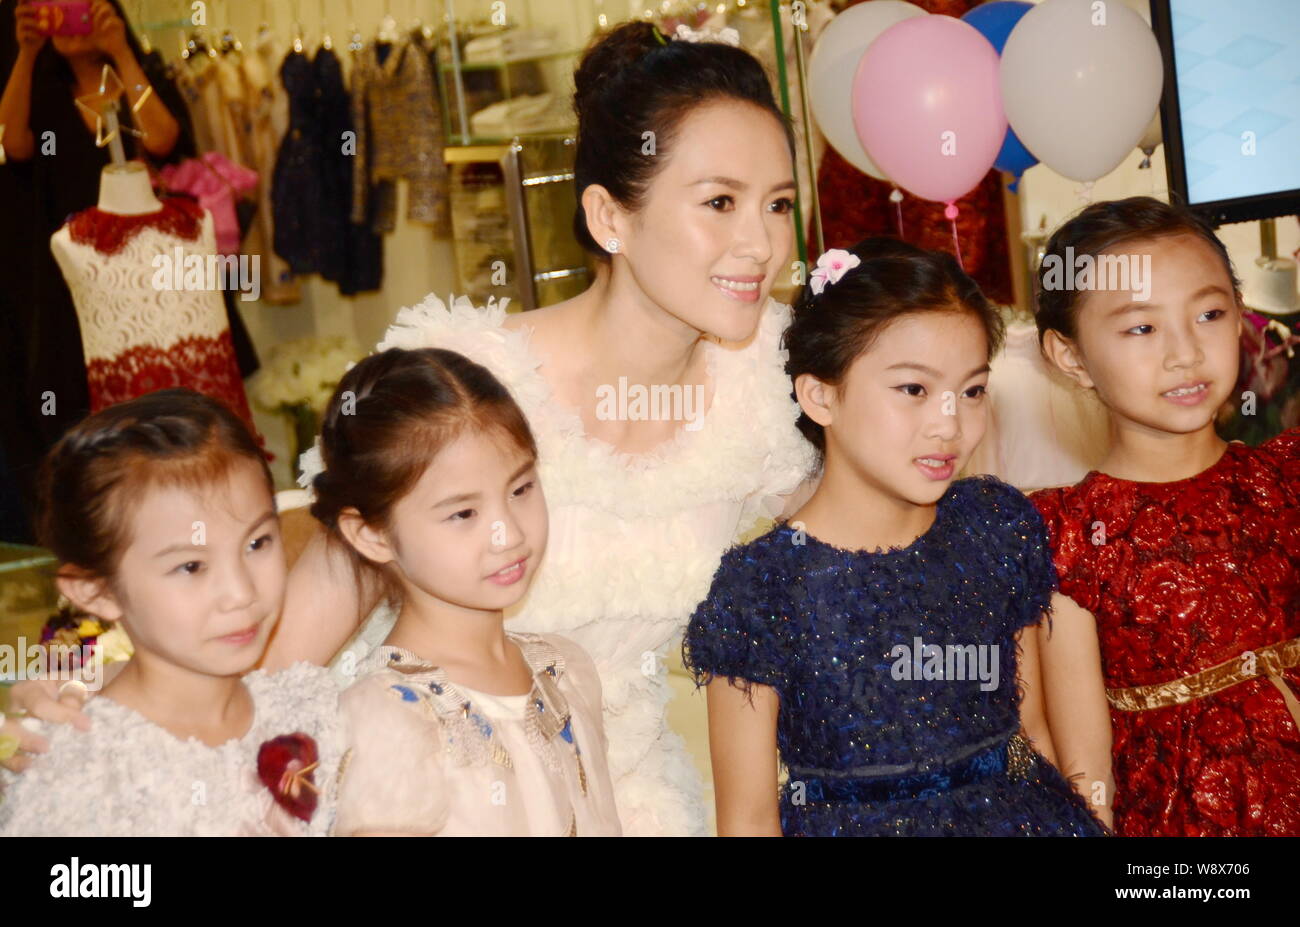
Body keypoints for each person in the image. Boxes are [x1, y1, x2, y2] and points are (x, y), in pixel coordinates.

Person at [6, 19, 818, 837]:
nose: (762, 242)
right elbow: (309, 608)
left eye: (779, 204)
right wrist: (110, 715)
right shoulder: (470, 380)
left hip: (616, 790)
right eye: (720, 201)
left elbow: (894, 485)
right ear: (609, 216)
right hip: (424, 783)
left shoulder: (771, 378)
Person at [683, 239, 1113, 836]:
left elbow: (1030, 731)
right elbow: (748, 818)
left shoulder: (995, 526)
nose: (949, 423)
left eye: (972, 390)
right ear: (820, 395)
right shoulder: (763, 586)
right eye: (914, 389)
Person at [1028, 197, 1300, 836]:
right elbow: (1084, 764)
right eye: (1142, 329)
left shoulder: (1287, 477)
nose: (1185, 353)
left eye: (1209, 314)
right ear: (1069, 357)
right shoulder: (1065, 535)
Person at [0, 390, 342, 836]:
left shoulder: (306, 702)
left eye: (257, 543)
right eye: (190, 566)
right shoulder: (82, 771)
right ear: (97, 591)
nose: (240, 593)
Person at [313, 348, 620, 836]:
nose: (509, 534)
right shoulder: (383, 719)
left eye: (520, 489)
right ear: (371, 534)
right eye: (463, 514)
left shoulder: (566, 671)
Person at [0, 0, 255, 538]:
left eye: (84, 13)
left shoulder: (135, 82)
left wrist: (120, 53)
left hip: (155, 260)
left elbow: (163, 136)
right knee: (89, 406)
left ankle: (204, 518)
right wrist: (25, 53)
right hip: (77, 270)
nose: (69, 24)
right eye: (56, 13)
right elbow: (12, 143)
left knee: (176, 402)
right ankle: (119, 531)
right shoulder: (42, 88)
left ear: (110, 15)